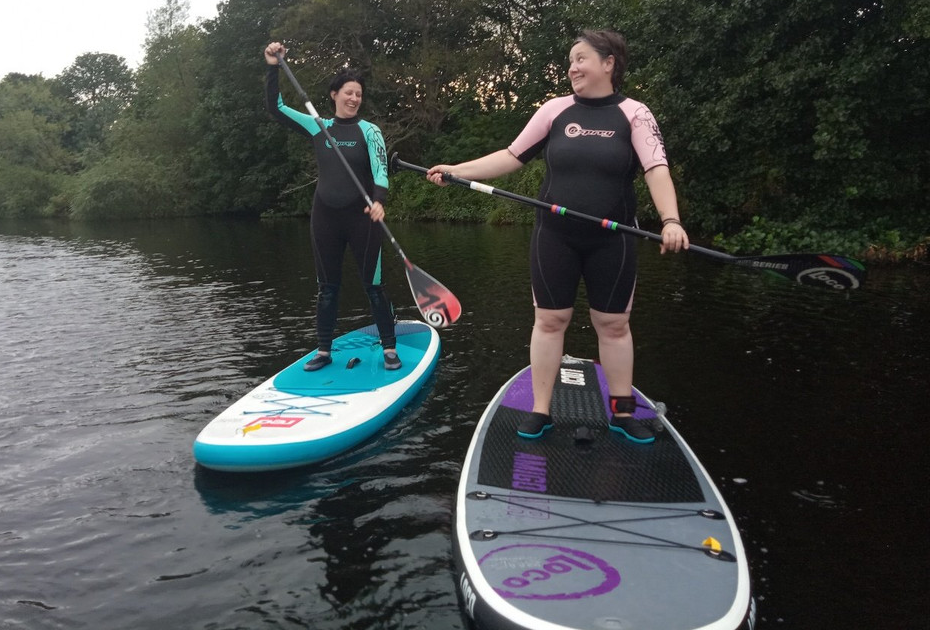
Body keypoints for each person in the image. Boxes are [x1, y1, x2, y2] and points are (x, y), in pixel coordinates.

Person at [427, 30, 689, 443]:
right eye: (570, 60)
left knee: (614, 324)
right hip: (555, 236)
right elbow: (511, 157)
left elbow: (656, 169)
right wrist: (456, 169)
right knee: (550, 321)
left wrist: (670, 220)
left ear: (609, 64)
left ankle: (621, 412)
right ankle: (540, 410)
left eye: (582, 58)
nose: (573, 67)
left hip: (612, 239)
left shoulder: (636, 114)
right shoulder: (554, 110)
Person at [263, 42, 399, 371]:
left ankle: (390, 346)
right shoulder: (318, 126)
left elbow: (381, 170)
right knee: (327, 288)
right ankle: (323, 350)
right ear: (334, 94)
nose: (354, 98)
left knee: (374, 286)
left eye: (358, 95)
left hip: (363, 218)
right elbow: (276, 108)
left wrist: (379, 201)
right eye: (348, 92)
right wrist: (272, 67)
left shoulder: (370, 131)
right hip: (325, 217)